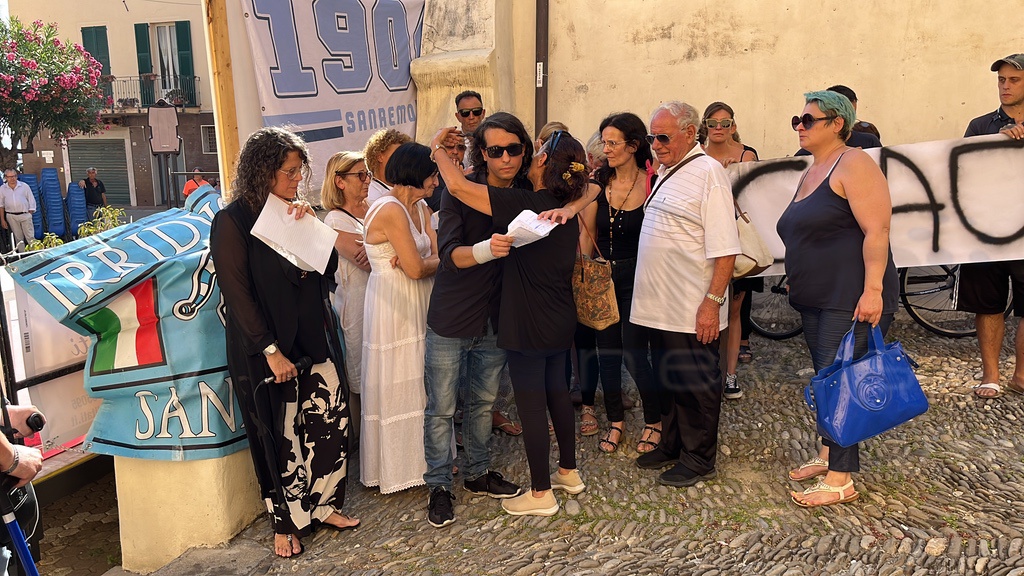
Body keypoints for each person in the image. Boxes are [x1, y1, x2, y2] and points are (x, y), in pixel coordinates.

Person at [210, 126, 359, 559]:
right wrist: (270, 350)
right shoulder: (232, 221)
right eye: (289, 172)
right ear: (263, 172)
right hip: (266, 348)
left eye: (299, 171)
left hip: (313, 337)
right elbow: (237, 294)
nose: (297, 179)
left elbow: (326, 271)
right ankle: (285, 522)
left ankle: (325, 505)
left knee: (330, 419)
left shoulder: (296, 211)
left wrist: (310, 228)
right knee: (279, 435)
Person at [431, 124, 588, 517]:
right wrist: (574, 204)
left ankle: (541, 493)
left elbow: (459, 187)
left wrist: (437, 151)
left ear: (542, 161)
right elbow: (594, 184)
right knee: (557, 394)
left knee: (531, 407)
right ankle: (568, 473)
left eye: (522, 150)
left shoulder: (527, 200)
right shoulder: (562, 202)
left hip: (526, 321)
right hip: (558, 315)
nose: (510, 158)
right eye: (495, 151)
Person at [778, 90, 900, 507]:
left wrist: (873, 290)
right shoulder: (814, 168)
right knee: (826, 378)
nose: (800, 126)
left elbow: (877, 230)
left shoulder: (855, 163)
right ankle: (830, 453)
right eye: (797, 119)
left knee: (841, 382)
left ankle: (841, 479)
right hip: (816, 296)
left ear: (837, 124)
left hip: (848, 297)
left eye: (808, 120)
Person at [423, 112, 532, 527]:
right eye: (496, 150)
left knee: (484, 403)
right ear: (482, 154)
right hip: (453, 315)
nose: (506, 158)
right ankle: (438, 486)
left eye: (514, 149)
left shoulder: (526, 190)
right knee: (441, 408)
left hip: (498, 316)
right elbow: (449, 254)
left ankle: (478, 472)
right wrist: (487, 249)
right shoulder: (461, 189)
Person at [631, 101, 739, 489]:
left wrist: (712, 303)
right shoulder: (667, 170)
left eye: (663, 137)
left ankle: (699, 458)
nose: (656, 144)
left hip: (691, 306)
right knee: (669, 380)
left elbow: (726, 249)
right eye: (652, 137)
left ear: (691, 133)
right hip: (661, 308)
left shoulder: (709, 173)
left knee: (695, 384)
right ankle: (673, 444)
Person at [359, 142, 439, 494]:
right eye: (432, 174)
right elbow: (419, 267)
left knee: (422, 378)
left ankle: (428, 460)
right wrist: (429, 263)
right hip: (393, 306)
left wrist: (426, 263)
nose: (436, 181)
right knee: (400, 378)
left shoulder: (421, 208)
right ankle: (399, 468)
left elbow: (433, 256)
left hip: (419, 299)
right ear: (414, 174)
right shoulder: (389, 209)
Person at [577, 112, 658, 454]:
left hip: (638, 276)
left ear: (634, 145)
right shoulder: (598, 182)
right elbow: (587, 234)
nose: (606, 149)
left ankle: (655, 421)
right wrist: (583, 275)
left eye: (613, 142)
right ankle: (616, 422)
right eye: (604, 142)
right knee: (607, 353)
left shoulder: (652, 181)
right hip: (602, 277)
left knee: (634, 354)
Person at [959, 53, 1024, 399]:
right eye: (1001, 80)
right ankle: (991, 376)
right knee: (988, 304)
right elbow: (961, 172)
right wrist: (993, 144)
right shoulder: (980, 125)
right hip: (987, 231)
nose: (1005, 86)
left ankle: (1021, 375)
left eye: (1014, 80)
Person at [699, 101, 760, 400]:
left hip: (739, 242)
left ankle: (731, 374)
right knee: (708, 305)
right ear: (705, 126)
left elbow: (757, 198)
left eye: (725, 123)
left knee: (734, 310)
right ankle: (709, 371)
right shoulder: (698, 155)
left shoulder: (747, 155)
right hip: (705, 243)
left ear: (733, 125)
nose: (719, 128)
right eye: (713, 123)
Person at [321, 152, 372, 444]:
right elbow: (366, 260)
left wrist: (376, 247)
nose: (367, 180)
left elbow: (377, 253)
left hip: (382, 302)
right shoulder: (334, 220)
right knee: (361, 378)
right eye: (360, 175)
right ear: (339, 181)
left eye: (368, 174)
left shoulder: (373, 208)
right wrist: (387, 245)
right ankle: (361, 445)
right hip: (356, 307)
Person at [795, 87, 881, 155]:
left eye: (808, 120)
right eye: (798, 121)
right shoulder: (801, 159)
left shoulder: (868, 143)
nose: (798, 127)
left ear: (837, 123)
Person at [363, 129, 413, 204]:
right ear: (380, 157)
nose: (402, 160)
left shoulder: (408, 186)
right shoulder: (371, 193)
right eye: (397, 155)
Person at [1, 169, 37, 250]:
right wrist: (2, 219)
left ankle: (35, 253)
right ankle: (22, 255)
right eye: (10, 177)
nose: (12, 179)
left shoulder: (24, 186)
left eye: (14, 176)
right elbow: (1, 205)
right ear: (6, 177)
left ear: (16, 176)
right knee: (18, 238)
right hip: (11, 216)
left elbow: (31, 199)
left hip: (25, 214)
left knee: (30, 236)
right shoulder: (2, 189)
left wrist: (30, 212)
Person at [455, 90, 486, 170]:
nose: (471, 117)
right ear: (458, 116)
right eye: (465, 113)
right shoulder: (452, 143)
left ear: (483, 113)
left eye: (476, 111)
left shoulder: (493, 140)